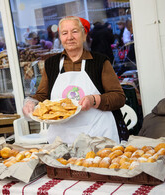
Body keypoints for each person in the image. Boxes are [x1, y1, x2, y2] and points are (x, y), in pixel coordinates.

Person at [22, 16, 128, 144]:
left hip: (97, 135)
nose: (70, 37)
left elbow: (119, 97)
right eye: (64, 33)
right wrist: (31, 103)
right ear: (60, 38)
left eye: (75, 31)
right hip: (62, 139)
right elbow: (42, 95)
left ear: (84, 35)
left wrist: (93, 100)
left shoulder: (100, 61)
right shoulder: (51, 64)